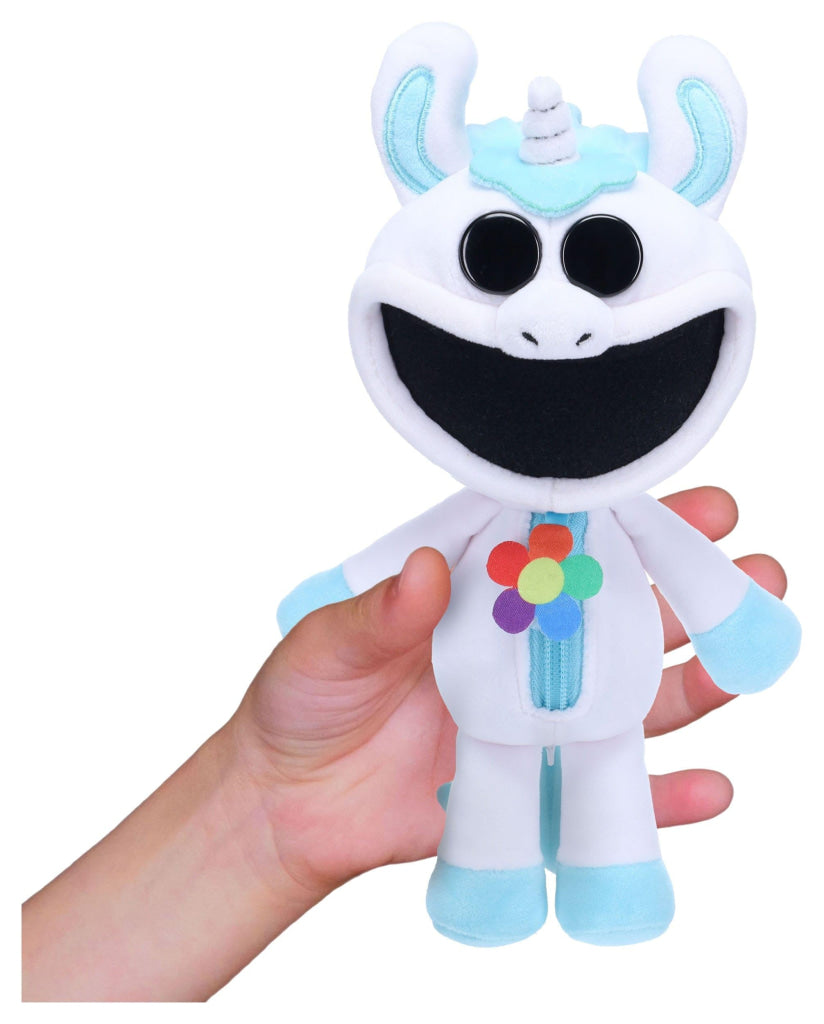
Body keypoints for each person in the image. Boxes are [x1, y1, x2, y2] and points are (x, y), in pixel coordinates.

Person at [21, 486, 788, 1002]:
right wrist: (334, 601)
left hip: (613, 717)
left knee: (610, 779)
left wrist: (742, 629)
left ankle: (613, 884)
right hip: (481, 717)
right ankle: (491, 891)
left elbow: (691, 563)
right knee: (494, 787)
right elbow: (417, 545)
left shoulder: (629, 511)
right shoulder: (483, 503)